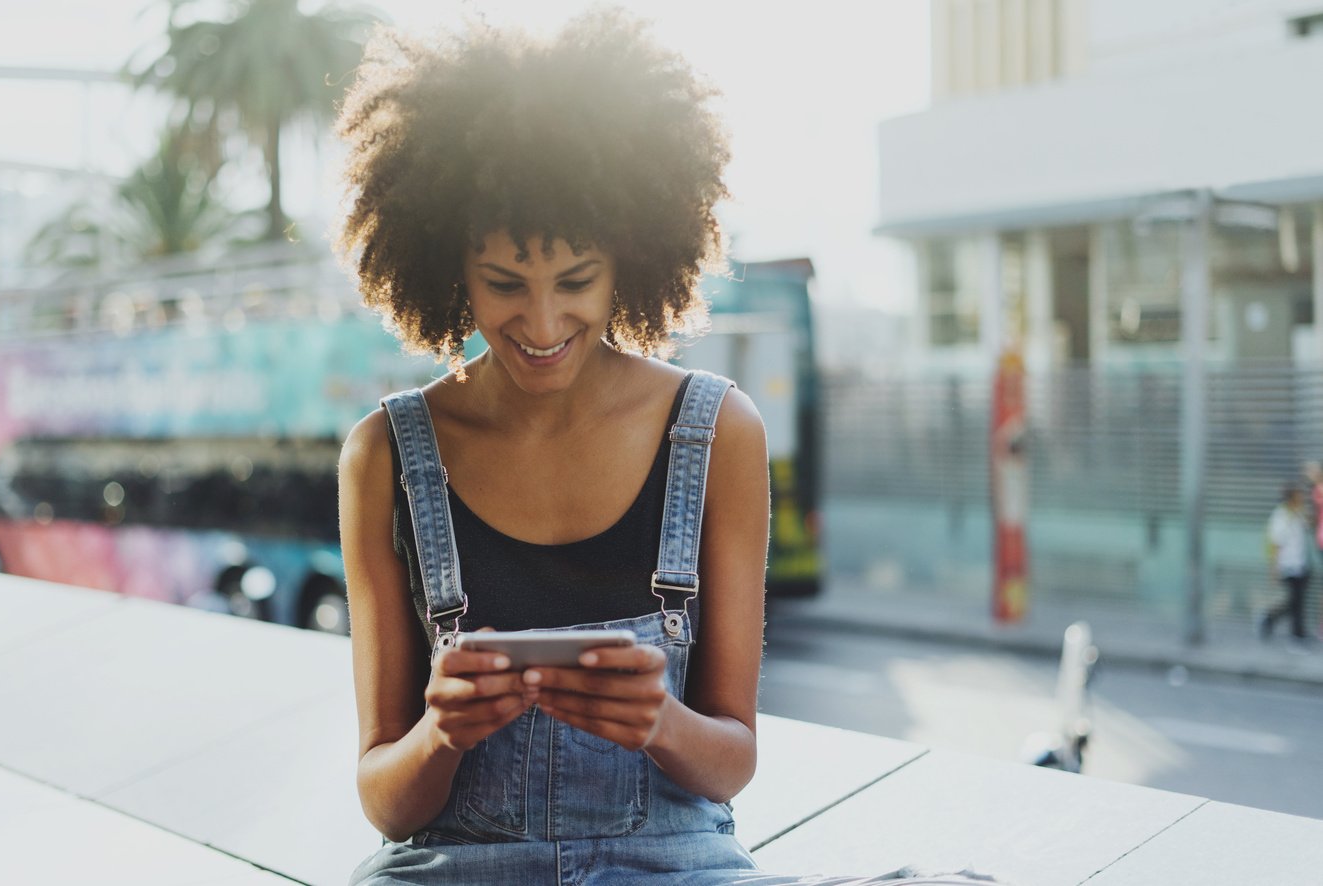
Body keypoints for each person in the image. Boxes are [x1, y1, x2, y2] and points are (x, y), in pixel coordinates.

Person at [333, 9, 999, 884]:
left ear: (632, 259)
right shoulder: (384, 453)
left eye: (576, 282)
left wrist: (660, 720)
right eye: (504, 284)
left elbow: (730, 760)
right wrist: (440, 733)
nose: (540, 324)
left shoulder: (717, 432)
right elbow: (385, 797)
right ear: (447, 267)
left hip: (672, 866)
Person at [1262, 484, 1313, 647]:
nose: (1302, 498)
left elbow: (1310, 525)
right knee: (1296, 601)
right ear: (1291, 498)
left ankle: (1269, 618)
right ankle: (1297, 635)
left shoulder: (1298, 513)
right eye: (1299, 496)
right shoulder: (1281, 516)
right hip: (1288, 565)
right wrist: (1274, 569)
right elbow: (1275, 543)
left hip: (1301, 564)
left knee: (1296, 601)